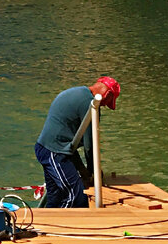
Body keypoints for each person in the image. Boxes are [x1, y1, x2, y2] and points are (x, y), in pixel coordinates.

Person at [34, 77, 120, 208]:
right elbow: (90, 146)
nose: (104, 106)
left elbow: (70, 146)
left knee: (56, 197)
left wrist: (84, 171)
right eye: (108, 102)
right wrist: (93, 174)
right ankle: (62, 227)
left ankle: (43, 225)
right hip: (55, 152)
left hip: (49, 148)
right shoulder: (90, 104)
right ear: (107, 94)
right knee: (76, 197)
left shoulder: (78, 92)